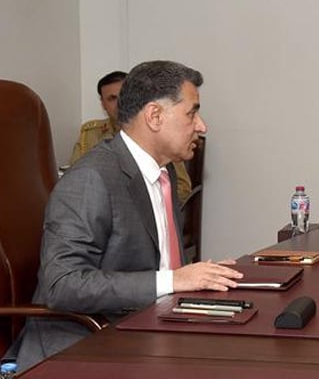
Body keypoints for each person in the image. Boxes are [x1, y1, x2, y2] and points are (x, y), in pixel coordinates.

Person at [9, 60, 243, 372]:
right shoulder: (91, 178)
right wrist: (174, 280)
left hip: (147, 326)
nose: (202, 125)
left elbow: (155, 264)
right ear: (155, 116)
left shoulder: (165, 172)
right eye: (191, 113)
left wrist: (200, 277)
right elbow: (62, 285)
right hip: (84, 343)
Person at [70, 70, 192, 204]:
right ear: (103, 104)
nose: (119, 104)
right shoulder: (91, 133)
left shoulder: (159, 132)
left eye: (123, 96)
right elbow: (74, 179)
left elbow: (182, 187)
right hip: (101, 212)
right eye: (112, 98)